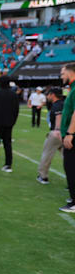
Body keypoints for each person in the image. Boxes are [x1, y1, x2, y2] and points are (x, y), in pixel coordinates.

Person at [37, 88, 64, 184]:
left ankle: (43, 176)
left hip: (56, 134)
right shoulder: (64, 103)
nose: (47, 96)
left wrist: (57, 130)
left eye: (48, 94)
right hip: (65, 133)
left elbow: (58, 117)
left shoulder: (57, 105)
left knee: (47, 155)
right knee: (68, 159)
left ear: (53, 95)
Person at [58, 63, 75, 212]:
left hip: (73, 135)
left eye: (63, 74)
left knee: (71, 167)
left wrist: (70, 134)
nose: (61, 76)